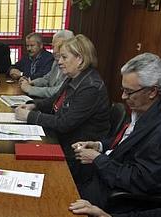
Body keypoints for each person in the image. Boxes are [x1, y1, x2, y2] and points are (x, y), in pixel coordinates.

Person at [71, 53, 161, 209]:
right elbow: (124, 144)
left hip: (115, 198)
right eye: (123, 89)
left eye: (129, 92)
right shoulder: (142, 109)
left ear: (152, 91)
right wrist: (99, 146)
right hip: (101, 180)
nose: (123, 96)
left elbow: (144, 181)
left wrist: (98, 159)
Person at [14, 34, 110, 181]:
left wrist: (29, 116)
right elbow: (54, 100)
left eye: (64, 57)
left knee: (26, 168)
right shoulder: (74, 77)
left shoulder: (90, 87)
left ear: (80, 59)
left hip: (76, 153)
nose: (59, 62)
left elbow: (65, 123)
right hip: (60, 140)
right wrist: (33, 105)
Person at [19, 30, 74, 98]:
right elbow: (47, 79)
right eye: (53, 47)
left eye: (59, 47)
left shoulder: (71, 66)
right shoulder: (56, 61)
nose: (54, 51)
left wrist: (29, 89)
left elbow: (57, 91)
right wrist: (32, 82)